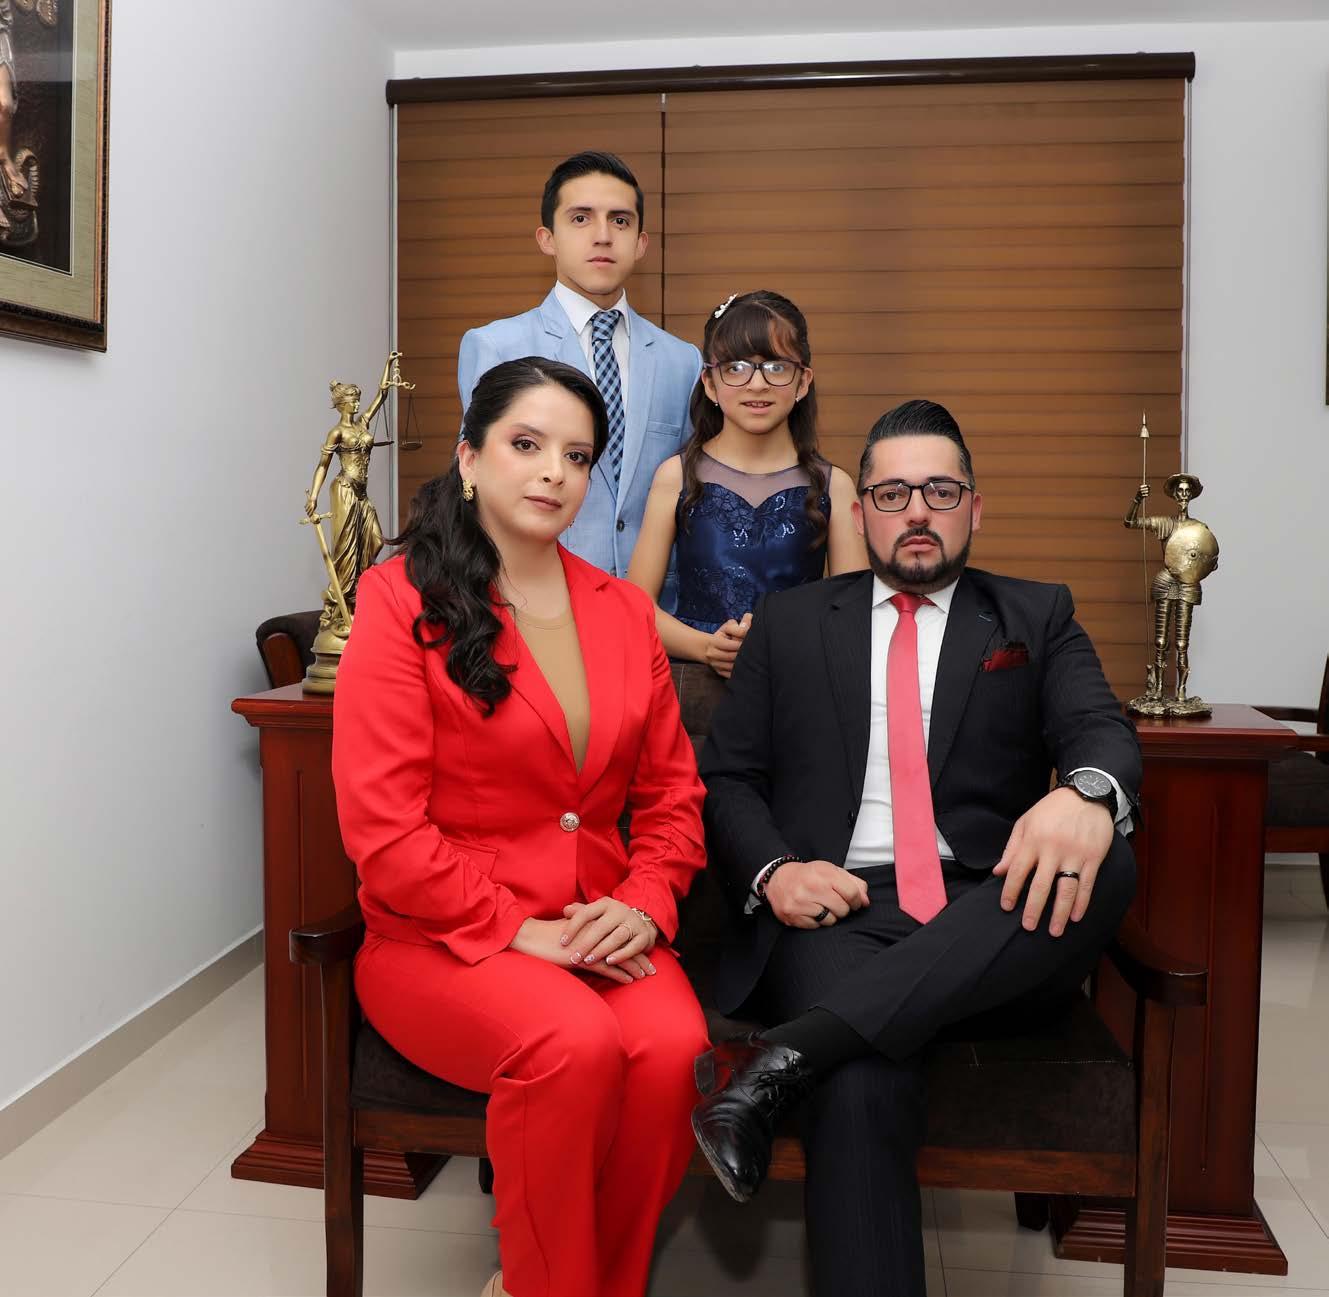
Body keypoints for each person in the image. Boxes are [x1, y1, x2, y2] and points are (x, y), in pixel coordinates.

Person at [690, 399, 1140, 1297]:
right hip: (837, 908)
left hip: (990, 908)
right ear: (861, 514)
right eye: (893, 494)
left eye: (940, 490)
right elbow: (728, 777)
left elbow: (1100, 728)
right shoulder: (788, 620)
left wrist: (1085, 793)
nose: (917, 512)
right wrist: (777, 871)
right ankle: (822, 1051)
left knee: (1108, 853)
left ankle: (785, 1057)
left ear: (975, 506)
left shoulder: (1035, 612)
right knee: (859, 1078)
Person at [332, 358, 710, 1297]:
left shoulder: (623, 611)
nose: (553, 472)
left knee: (674, 1052)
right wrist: (513, 927)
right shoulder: (398, 598)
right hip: (439, 938)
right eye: (526, 444)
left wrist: (644, 902)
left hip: (597, 923)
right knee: (569, 1044)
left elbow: (671, 795)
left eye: (576, 456)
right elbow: (382, 825)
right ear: (469, 458)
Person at [457, 151, 701, 609]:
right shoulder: (497, 346)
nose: (603, 235)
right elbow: (477, 488)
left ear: (641, 243)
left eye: (620, 221)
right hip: (531, 602)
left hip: (653, 611)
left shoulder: (682, 360)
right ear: (547, 238)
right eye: (581, 218)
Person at [627, 290, 864, 678]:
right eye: (736, 368)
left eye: (776, 367)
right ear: (709, 382)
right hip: (694, 687)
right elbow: (636, 608)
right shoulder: (676, 476)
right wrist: (707, 647)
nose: (757, 384)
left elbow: (853, 615)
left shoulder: (833, 485)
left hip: (798, 686)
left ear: (803, 381)